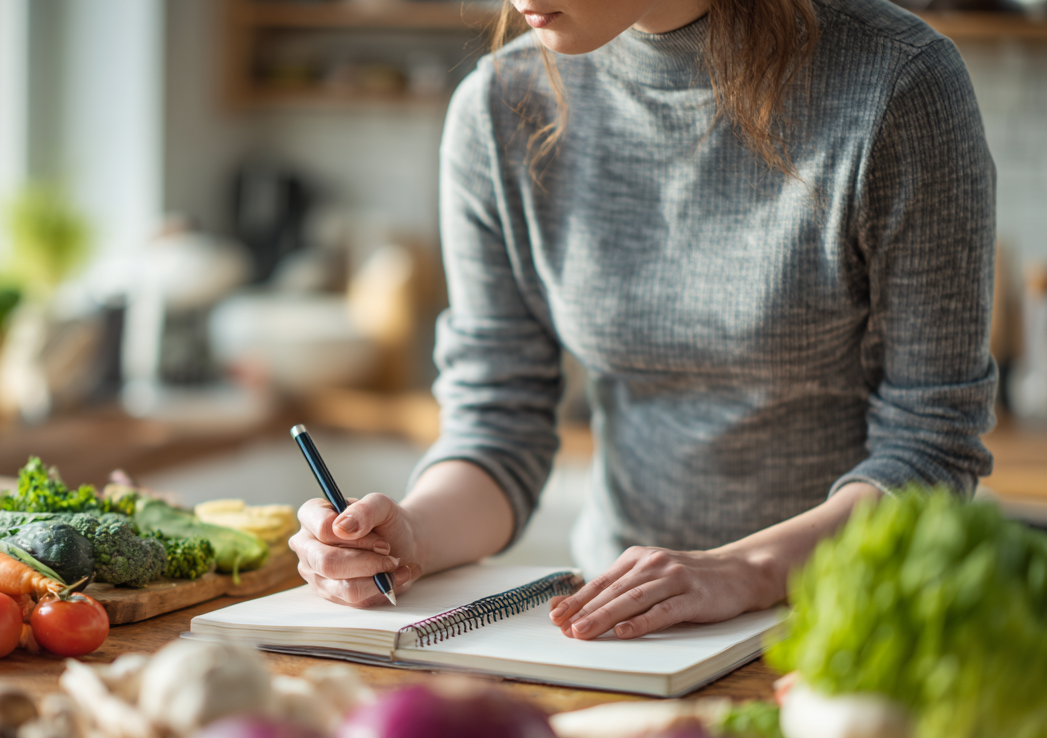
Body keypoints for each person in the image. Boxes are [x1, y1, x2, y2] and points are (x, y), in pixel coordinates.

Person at [290, 0, 996, 642]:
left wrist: (745, 570)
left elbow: (931, 449)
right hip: (627, 632)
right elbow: (497, 425)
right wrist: (409, 536)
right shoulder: (499, 107)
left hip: (858, 632)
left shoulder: (897, 83)